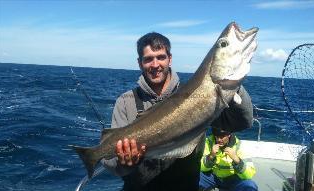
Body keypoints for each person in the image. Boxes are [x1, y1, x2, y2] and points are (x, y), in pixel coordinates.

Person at [101, 32, 254, 191]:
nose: (155, 65)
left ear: (170, 59)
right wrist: (125, 164)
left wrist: (233, 86)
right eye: (148, 59)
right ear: (140, 63)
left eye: (161, 57)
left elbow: (241, 122)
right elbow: (110, 164)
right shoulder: (125, 102)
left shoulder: (200, 95)